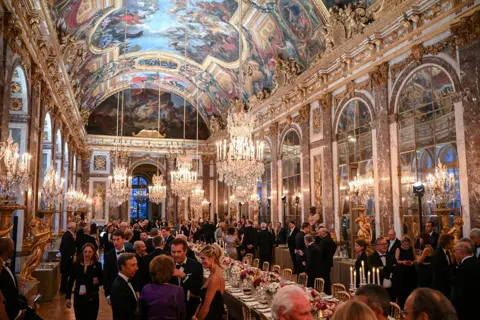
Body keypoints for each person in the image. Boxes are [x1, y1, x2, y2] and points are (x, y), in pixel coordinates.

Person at [0, 238, 37, 320]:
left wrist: (18, 290)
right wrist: (29, 307)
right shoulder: (1, 271)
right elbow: (8, 302)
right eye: (13, 247)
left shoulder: (5, 266)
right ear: (9, 250)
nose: (14, 249)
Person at [140, 255, 186, 320]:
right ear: (171, 271)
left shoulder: (146, 288)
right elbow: (181, 314)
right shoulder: (178, 290)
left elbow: (143, 314)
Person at [65, 243, 103, 320]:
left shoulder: (97, 265)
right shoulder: (76, 265)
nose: (87, 254)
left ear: (93, 253)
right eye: (85, 251)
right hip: (79, 298)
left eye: (90, 252)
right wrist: (68, 297)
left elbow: (103, 279)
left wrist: (98, 281)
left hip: (92, 297)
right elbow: (70, 282)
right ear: (82, 252)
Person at [169, 238, 203, 320]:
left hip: (190, 306)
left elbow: (198, 289)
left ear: (185, 251)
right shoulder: (168, 265)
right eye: (173, 252)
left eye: (179, 251)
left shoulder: (196, 265)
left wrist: (184, 276)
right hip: (171, 307)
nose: (176, 255)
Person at [194, 244, 225, 320]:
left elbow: (205, 308)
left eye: (203, 258)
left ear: (212, 258)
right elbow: (203, 301)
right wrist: (195, 315)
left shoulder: (214, 278)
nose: (201, 262)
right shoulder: (213, 274)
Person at [104, 230, 134, 305]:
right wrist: (107, 295)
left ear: (123, 239)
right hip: (115, 289)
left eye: (118, 239)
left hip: (130, 288)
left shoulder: (131, 252)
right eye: (113, 240)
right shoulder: (108, 255)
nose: (115, 242)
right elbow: (106, 275)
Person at [451, 241, 480, 320]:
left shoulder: (462, 268)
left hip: (466, 308)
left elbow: (459, 292)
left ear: (460, 252)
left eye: (454, 251)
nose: (453, 254)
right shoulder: (477, 262)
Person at [110, 253, 139, 320]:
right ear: (123, 267)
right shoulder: (119, 287)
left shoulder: (128, 279)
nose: (137, 268)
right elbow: (124, 314)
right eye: (133, 265)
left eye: (136, 264)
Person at [395, 235, 417, 309]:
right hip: (402, 271)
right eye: (405, 244)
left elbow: (415, 259)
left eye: (408, 244)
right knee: (402, 291)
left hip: (411, 271)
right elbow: (396, 261)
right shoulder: (398, 249)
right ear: (402, 243)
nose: (406, 246)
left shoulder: (411, 249)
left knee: (411, 289)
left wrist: (412, 262)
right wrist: (403, 262)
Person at [432, 233, 453, 298]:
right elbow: (438, 269)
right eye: (451, 242)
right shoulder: (438, 253)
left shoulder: (447, 252)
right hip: (440, 283)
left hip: (446, 282)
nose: (452, 244)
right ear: (446, 243)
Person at [317, 228, 337, 295]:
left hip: (323, 262)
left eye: (320, 232)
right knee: (327, 277)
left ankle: (325, 292)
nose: (318, 234)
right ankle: (327, 291)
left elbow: (320, 252)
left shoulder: (324, 241)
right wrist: (331, 255)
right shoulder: (330, 239)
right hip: (328, 261)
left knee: (324, 278)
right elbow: (335, 246)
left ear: (324, 233)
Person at [60, 222, 77, 294]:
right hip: (67, 258)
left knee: (66, 274)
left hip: (67, 257)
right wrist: (71, 255)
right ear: (72, 228)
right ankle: (63, 289)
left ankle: (65, 288)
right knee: (65, 274)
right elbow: (66, 247)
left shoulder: (68, 234)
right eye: (75, 227)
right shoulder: (67, 235)